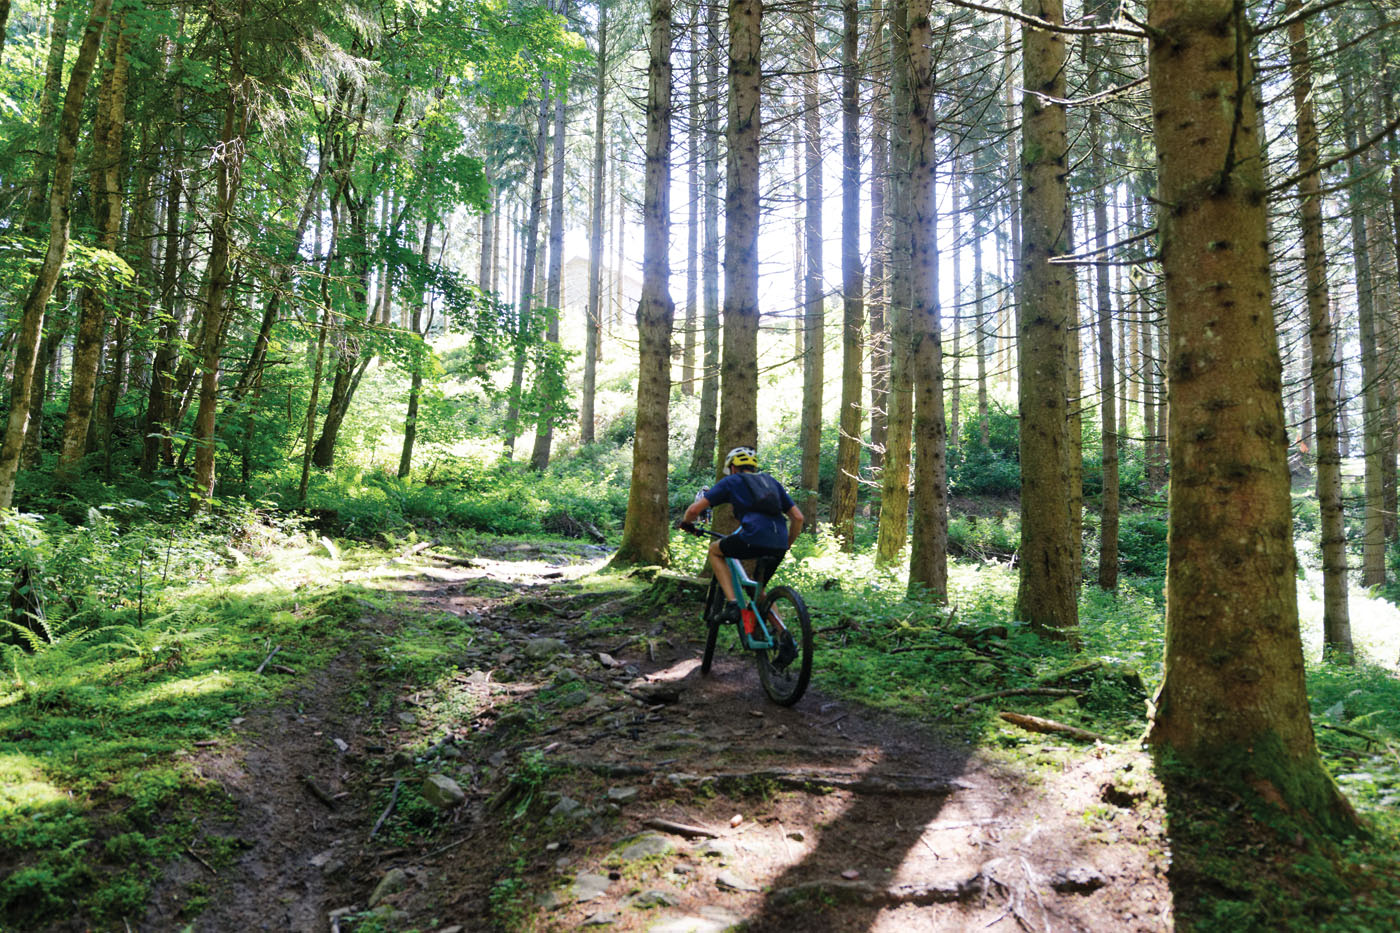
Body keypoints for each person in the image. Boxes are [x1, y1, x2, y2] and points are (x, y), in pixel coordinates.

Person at [679, 446, 803, 664]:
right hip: (778, 542)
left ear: (733, 468)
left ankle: (734, 604)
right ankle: (784, 636)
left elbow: (693, 511)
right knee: (758, 588)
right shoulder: (771, 482)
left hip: (751, 536)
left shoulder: (732, 481)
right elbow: (798, 518)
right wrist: (786, 545)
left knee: (715, 551)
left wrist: (687, 524)